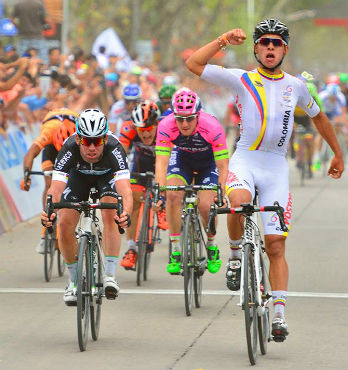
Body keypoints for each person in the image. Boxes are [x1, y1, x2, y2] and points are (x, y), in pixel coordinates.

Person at [185, 19, 344, 341]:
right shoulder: (242, 79)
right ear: (256, 48)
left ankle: (280, 314)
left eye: (276, 43)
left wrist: (337, 153)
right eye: (264, 42)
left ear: (285, 49)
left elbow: (319, 117)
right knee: (239, 203)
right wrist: (223, 39)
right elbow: (194, 63)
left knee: (275, 244)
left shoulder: (296, 86)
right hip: (245, 158)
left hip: (275, 167)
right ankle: (233, 257)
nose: (270, 47)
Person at [41, 108, 133, 305]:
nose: (92, 147)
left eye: (97, 141)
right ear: (79, 139)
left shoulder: (115, 148)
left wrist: (126, 212)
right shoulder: (69, 147)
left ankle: (109, 275)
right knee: (64, 222)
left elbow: (125, 190)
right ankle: (73, 281)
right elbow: (55, 188)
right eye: (86, 141)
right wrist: (49, 211)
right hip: (78, 177)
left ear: (105, 140)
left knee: (111, 211)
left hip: (106, 179)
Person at [155, 87, 229, 275]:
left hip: (208, 163)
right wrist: (159, 191)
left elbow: (223, 166)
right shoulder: (165, 125)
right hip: (182, 160)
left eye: (189, 118)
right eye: (180, 118)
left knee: (205, 205)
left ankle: (211, 246)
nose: (185, 123)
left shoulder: (211, 126)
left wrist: (222, 192)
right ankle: (176, 251)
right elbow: (161, 162)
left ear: (198, 114)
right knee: (172, 194)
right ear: (174, 116)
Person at [20, 108, 79, 253]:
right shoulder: (49, 131)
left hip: (74, 148)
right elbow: (31, 152)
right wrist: (26, 175)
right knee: (49, 183)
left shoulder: (79, 135)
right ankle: (45, 231)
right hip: (51, 148)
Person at [119, 100, 168, 270]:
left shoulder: (166, 127)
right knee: (133, 198)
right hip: (142, 161)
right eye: (141, 130)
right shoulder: (128, 129)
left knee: (170, 180)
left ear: (156, 124)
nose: (145, 135)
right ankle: (131, 248)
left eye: (148, 130)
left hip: (165, 160)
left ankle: (163, 208)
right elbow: (120, 156)